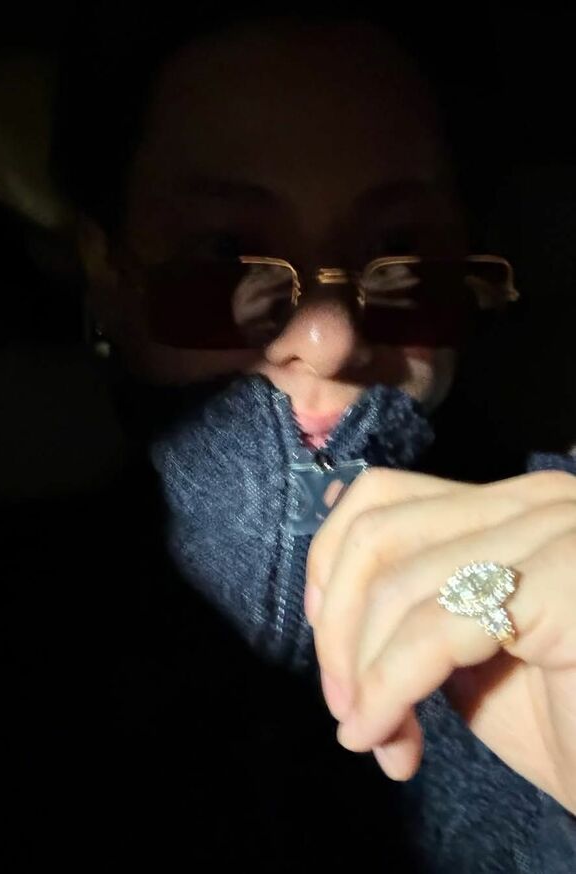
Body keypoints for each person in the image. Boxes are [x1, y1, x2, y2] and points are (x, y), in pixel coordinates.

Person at [51, 6, 576, 871]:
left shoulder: (559, 586)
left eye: (401, 249)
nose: (330, 339)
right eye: (224, 253)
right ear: (107, 274)